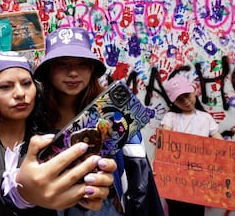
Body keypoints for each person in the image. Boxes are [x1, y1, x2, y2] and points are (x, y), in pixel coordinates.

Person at [0, 51, 117, 216]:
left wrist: (85, 191)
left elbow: (65, 191)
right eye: (6, 87)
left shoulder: (51, 142)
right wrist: (18, 188)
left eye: (26, 84)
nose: (20, 93)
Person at [34, 27, 164, 216]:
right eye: (62, 64)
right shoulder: (32, 121)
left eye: (82, 64)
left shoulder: (115, 117)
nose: (73, 73)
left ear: (92, 69)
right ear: (48, 71)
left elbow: (141, 180)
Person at [159, 74, 235, 216]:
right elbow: (163, 144)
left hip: (199, 181)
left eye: (188, 96)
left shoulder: (206, 118)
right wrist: (154, 167)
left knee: (196, 212)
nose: (186, 102)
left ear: (194, 91)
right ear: (173, 102)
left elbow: (222, 147)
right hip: (175, 180)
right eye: (180, 100)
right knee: (176, 211)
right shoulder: (170, 118)